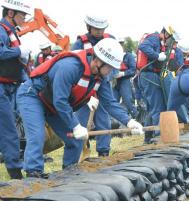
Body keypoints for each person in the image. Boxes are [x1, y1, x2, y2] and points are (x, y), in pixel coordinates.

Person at [17, 38, 143, 178]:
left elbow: (110, 103)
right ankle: (33, 175)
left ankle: (67, 175)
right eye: (110, 68)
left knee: (76, 141)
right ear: (98, 61)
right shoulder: (70, 67)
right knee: (37, 136)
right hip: (33, 96)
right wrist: (76, 126)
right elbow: (60, 101)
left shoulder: (101, 77)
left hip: (53, 104)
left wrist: (129, 122)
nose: (111, 72)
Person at [72, 15, 115, 157]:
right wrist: (87, 95)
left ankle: (104, 151)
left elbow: (115, 60)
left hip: (103, 85)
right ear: (89, 27)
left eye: (101, 29)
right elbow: (73, 65)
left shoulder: (111, 40)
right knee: (81, 122)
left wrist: (111, 75)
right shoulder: (79, 44)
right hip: (84, 88)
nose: (98, 31)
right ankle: (79, 151)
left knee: (104, 119)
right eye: (96, 28)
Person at [0, 0, 31, 179]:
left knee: (9, 127)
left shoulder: (11, 32)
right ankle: (15, 174)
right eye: (22, 15)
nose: (25, 19)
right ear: (10, 13)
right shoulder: (1, 30)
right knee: (9, 130)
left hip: (11, 87)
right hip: (1, 88)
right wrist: (19, 51)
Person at [137, 25, 176, 143]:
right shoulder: (154, 38)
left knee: (151, 108)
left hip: (146, 76)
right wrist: (157, 55)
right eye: (169, 37)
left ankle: (148, 137)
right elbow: (142, 46)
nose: (169, 40)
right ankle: (159, 137)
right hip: (148, 75)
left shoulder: (158, 41)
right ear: (165, 33)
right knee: (158, 107)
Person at [112, 38, 138, 118]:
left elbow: (133, 70)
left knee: (128, 101)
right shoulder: (112, 55)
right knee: (113, 102)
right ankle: (113, 122)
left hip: (125, 80)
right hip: (114, 81)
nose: (120, 45)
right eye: (119, 43)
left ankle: (137, 117)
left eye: (121, 43)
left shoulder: (129, 56)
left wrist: (123, 73)